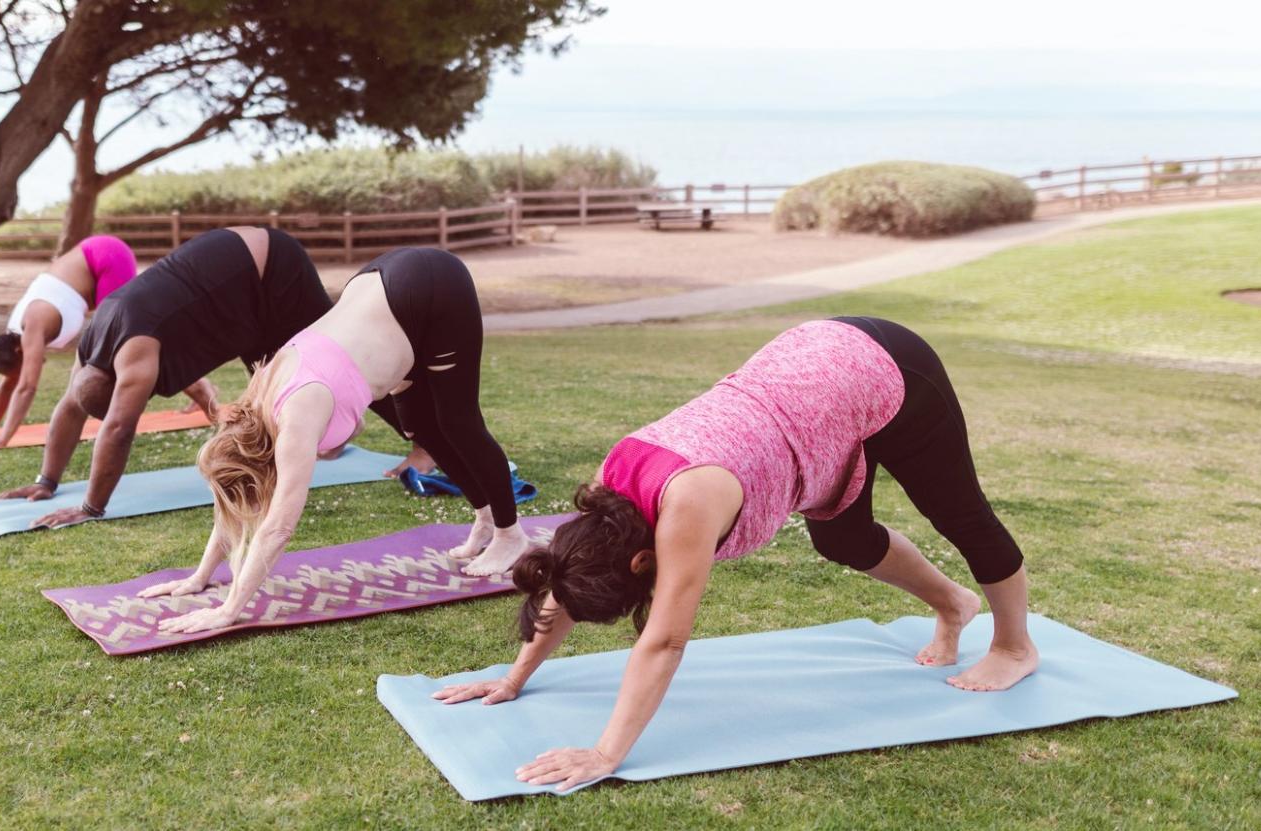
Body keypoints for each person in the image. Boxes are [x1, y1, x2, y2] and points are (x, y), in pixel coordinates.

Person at [432, 317, 1040, 791]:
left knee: (957, 512)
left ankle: (1015, 646)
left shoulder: (686, 508)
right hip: (810, 382)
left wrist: (605, 753)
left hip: (881, 370)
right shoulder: (607, 503)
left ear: (641, 564)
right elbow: (564, 575)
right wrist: (516, 677)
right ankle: (954, 605)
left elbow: (665, 641)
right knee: (843, 538)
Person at [143, 247, 528, 635]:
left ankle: (510, 535)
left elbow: (278, 527)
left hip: (429, 288)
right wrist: (200, 576)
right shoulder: (256, 406)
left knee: (459, 422)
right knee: (423, 432)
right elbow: (234, 502)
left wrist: (229, 610)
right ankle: (485, 517)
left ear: (263, 465)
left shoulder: (295, 421)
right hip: (385, 289)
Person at [0, 228, 431, 524]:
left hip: (266, 268)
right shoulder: (92, 350)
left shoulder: (135, 353)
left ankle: (427, 446)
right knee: (277, 388)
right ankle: (327, 436)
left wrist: (91, 507)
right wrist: (47, 482)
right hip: (236, 300)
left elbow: (117, 429)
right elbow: (70, 410)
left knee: (343, 365)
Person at [0, 235, 140, 451]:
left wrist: (3, 440)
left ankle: (195, 391)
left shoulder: (33, 326)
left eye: (19, 370)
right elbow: (10, 384)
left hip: (107, 257)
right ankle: (194, 391)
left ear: (20, 351)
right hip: (92, 263)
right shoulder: (9, 340)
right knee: (121, 342)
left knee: (129, 345)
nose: (22, 374)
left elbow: (26, 387)